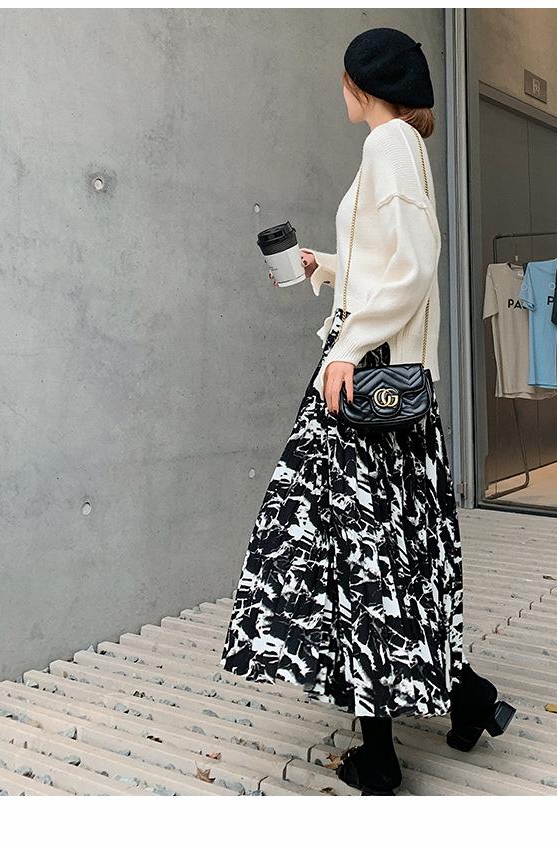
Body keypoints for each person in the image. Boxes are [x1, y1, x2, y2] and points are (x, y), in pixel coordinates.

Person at [220, 26, 515, 796]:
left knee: (356, 557)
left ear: (362, 86)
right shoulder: (397, 147)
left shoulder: (387, 145)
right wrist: (324, 264)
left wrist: (348, 346)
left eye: (344, 80)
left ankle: (386, 753)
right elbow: (389, 260)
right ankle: (467, 701)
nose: (340, 91)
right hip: (383, 377)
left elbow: (415, 265)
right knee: (382, 555)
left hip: (369, 381)